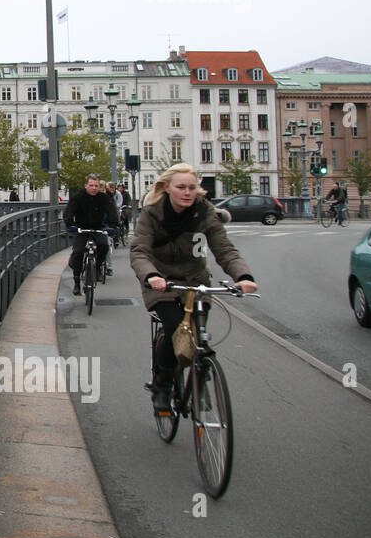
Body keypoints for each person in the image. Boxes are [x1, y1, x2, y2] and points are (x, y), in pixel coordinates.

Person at [131, 162, 257, 414]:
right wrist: (152, 275)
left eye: (192, 187)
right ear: (167, 188)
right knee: (176, 329)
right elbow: (139, 251)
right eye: (181, 187)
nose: (187, 192)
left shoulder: (205, 212)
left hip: (196, 282)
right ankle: (162, 385)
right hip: (163, 282)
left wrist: (242, 276)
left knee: (198, 336)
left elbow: (224, 249)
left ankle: (201, 381)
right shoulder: (152, 213)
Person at [64, 174, 117, 295]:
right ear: (86, 186)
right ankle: (77, 283)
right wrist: (70, 225)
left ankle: (97, 267)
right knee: (78, 252)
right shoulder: (78, 197)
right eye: (91, 185)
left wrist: (113, 226)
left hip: (98, 228)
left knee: (104, 246)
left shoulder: (104, 198)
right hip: (82, 229)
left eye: (96, 186)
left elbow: (111, 212)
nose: (94, 188)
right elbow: (69, 212)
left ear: (99, 187)